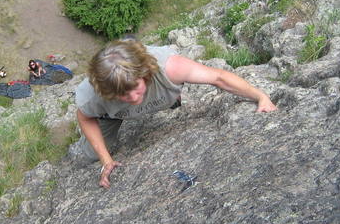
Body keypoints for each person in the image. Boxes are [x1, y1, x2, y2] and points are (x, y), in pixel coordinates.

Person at [72, 40, 277, 188]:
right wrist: (106, 160)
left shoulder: (169, 67)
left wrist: (260, 96)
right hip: (112, 115)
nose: (134, 98)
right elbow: (85, 117)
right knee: (89, 155)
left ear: (145, 73)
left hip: (163, 92)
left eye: (136, 87)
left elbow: (219, 78)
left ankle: (172, 100)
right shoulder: (94, 95)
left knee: (168, 96)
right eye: (123, 95)